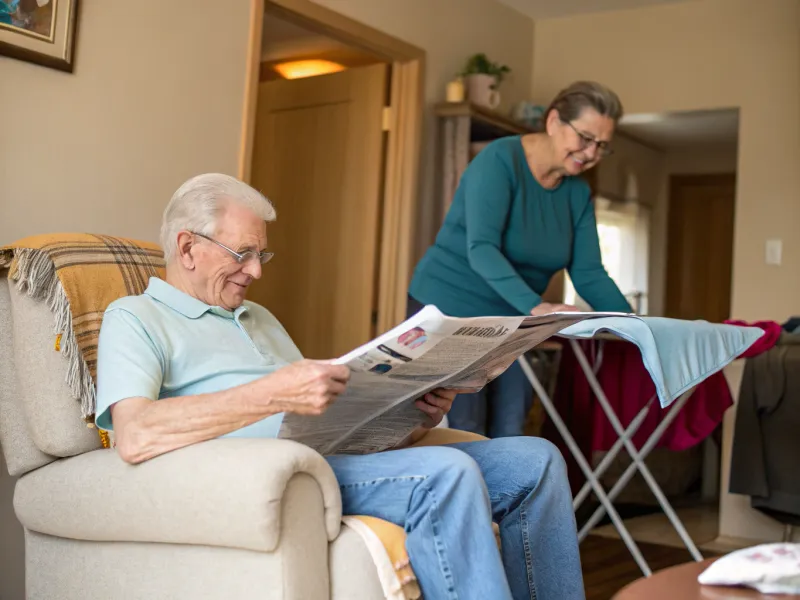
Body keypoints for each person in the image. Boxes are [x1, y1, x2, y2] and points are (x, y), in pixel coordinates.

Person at [95, 173, 585, 600]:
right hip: (277, 472)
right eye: (242, 253)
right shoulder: (136, 317)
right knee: (447, 472)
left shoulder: (258, 316)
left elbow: (327, 415)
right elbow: (135, 433)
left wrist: (418, 413)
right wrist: (272, 393)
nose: (257, 271)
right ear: (187, 248)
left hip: (337, 452)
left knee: (536, 462)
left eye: (260, 253)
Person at [408, 81, 633, 438]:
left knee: (513, 423)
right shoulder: (500, 161)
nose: (591, 153)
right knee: (466, 425)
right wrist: (536, 307)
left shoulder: (576, 192)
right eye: (585, 138)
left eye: (602, 146)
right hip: (451, 309)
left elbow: (588, 272)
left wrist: (635, 324)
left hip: (513, 320)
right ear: (554, 121)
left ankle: (504, 496)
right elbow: (481, 248)